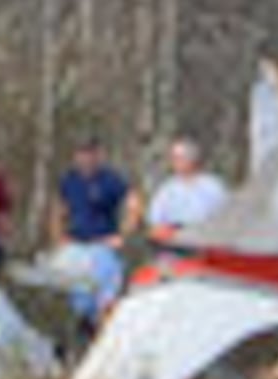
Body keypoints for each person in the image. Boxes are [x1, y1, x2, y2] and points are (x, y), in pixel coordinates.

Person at [50, 141, 132, 337]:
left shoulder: (110, 180)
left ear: (98, 155)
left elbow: (134, 204)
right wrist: (58, 238)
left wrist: (123, 235)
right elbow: (58, 210)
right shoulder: (69, 180)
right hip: (76, 247)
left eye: (89, 153)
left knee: (106, 300)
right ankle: (76, 337)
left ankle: (103, 338)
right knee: (75, 300)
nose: (85, 158)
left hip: (102, 246)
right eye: (81, 153)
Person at [140, 138, 227, 256]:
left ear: (193, 160)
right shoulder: (167, 189)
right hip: (174, 241)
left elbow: (226, 219)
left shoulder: (213, 187)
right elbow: (155, 222)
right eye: (173, 158)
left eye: (179, 158)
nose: (174, 162)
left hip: (204, 240)